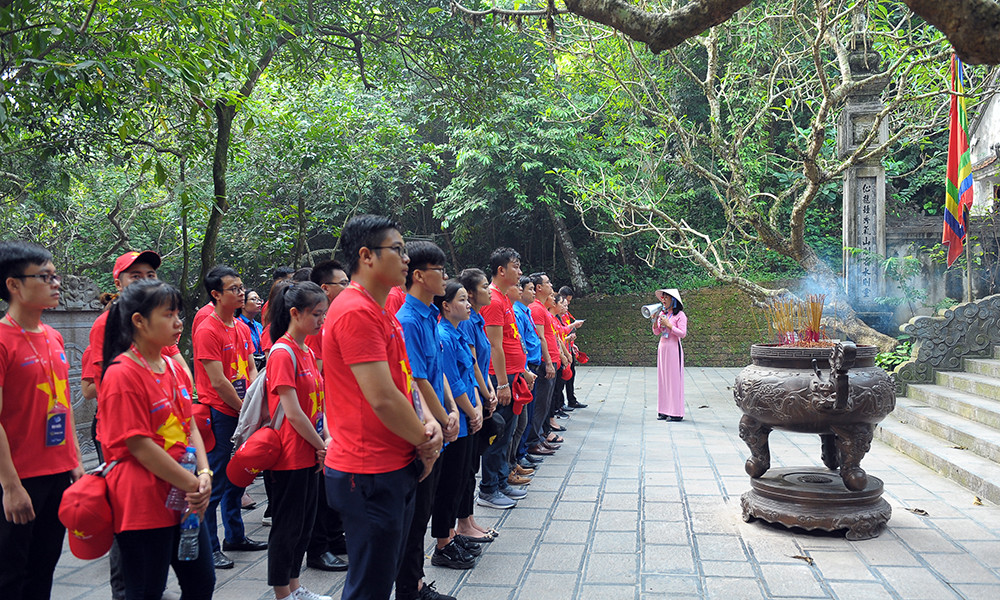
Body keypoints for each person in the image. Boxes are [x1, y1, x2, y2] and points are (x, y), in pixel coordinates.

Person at [322, 215, 443, 600]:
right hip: (368, 470)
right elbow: (383, 397)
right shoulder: (355, 311)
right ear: (366, 256)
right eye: (398, 249)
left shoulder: (382, 311)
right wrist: (426, 440)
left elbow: (405, 382)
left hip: (391, 464)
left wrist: (428, 422)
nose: (406, 258)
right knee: (369, 587)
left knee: (381, 577)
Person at [99, 279, 214, 600]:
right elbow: (139, 445)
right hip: (144, 501)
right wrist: (193, 484)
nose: (178, 323)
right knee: (146, 590)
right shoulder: (121, 373)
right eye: (168, 314)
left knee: (202, 582)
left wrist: (204, 473)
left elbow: (190, 426)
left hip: (185, 495)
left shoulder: (174, 369)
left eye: (178, 314)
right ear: (139, 321)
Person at [0, 241, 84, 600]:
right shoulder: (2, 340)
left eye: (55, 275)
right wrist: (10, 486)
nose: (56, 283)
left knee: (44, 566)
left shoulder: (53, 336)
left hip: (58, 472)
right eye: (45, 277)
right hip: (19, 477)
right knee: (10, 574)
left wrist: (75, 461)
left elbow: (63, 405)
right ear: (14, 285)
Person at [395, 240, 465, 599]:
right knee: (415, 515)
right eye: (441, 271)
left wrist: (451, 410)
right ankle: (411, 588)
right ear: (420, 276)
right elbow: (417, 379)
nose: (446, 278)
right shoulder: (408, 321)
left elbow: (438, 374)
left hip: (439, 422)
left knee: (423, 510)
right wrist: (442, 418)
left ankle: (416, 582)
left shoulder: (429, 317)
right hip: (422, 429)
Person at [264, 282, 332, 600]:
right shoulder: (282, 352)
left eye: (324, 314)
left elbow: (318, 405)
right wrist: (321, 444)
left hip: (311, 452)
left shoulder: (307, 351)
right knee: (287, 526)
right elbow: (292, 412)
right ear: (295, 313)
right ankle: (282, 593)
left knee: (304, 525)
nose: (322, 320)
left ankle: (295, 586)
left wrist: (324, 441)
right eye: (316, 314)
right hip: (290, 454)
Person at [193, 265, 264, 570]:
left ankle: (235, 536)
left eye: (241, 287)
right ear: (216, 294)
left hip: (241, 409)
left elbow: (250, 367)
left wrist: (253, 401)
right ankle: (209, 547)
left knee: (240, 476)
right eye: (233, 289)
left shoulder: (241, 327)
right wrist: (243, 408)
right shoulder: (207, 329)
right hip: (220, 413)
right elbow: (218, 381)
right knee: (216, 479)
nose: (241, 292)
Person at [432, 280, 485, 570]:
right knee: (449, 484)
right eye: (462, 300)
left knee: (462, 478)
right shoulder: (443, 335)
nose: (468, 305)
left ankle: (451, 535)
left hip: (469, 416)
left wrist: (478, 406)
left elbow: (470, 373)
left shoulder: (458, 332)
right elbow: (452, 381)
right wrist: (470, 410)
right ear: (446, 305)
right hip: (458, 421)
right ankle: (442, 544)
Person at [477, 248, 533, 510]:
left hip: (512, 375)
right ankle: (488, 488)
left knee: (507, 433)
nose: (519, 272)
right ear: (501, 270)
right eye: (515, 266)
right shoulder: (493, 300)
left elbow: (512, 341)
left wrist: (521, 371)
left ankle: (500, 481)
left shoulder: (504, 299)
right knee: (498, 435)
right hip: (501, 377)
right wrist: (502, 384)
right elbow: (494, 345)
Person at [304, 261, 350, 573]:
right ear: (325, 288)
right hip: (321, 415)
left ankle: (334, 536)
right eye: (342, 283)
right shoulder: (315, 328)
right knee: (320, 484)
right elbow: (318, 379)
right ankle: (318, 547)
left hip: (335, 411)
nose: (348, 287)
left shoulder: (334, 318)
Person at [454, 269, 498, 542]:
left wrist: (489, 391)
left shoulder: (478, 319)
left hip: (480, 395)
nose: (489, 290)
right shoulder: (467, 323)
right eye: (484, 287)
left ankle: (469, 519)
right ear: (470, 293)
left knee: (471, 466)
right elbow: (471, 366)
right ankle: (463, 523)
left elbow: (482, 361)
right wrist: (486, 392)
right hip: (472, 399)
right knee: (465, 468)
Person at [526, 272, 561, 460]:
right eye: (548, 283)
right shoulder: (536, 309)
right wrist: (547, 362)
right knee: (540, 404)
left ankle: (539, 436)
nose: (551, 286)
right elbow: (540, 338)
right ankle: (534, 440)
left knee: (545, 403)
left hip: (551, 359)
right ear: (539, 287)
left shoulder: (541, 308)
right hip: (544, 362)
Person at [653, 288, 688, 421]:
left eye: (666, 297)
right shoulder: (663, 314)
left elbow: (682, 334)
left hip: (673, 349)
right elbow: (657, 332)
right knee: (663, 379)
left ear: (673, 300)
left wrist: (670, 326)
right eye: (663, 297)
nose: (663, 300)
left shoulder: (680, 315)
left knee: (673, 380)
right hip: (663, 348)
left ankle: (675, 412)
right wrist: (655, 321)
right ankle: (663, 410)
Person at [557, 286, 587, 410]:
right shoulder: (555, 315)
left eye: (568, 302)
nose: (567, 305)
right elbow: (558, 335)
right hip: (561, 350)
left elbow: (566, 330)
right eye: (565, 302)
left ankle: (571, 399)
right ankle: (559, 404)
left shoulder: (565, 314)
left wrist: (572, 341)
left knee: (571, 375)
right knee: (561, 379)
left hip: (568, 348)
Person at [238, 290, 265, 370]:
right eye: (254, 299)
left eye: (259, 300)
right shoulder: (236, 325)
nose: (259, 302)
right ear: (243, 304)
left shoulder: (259, 326)